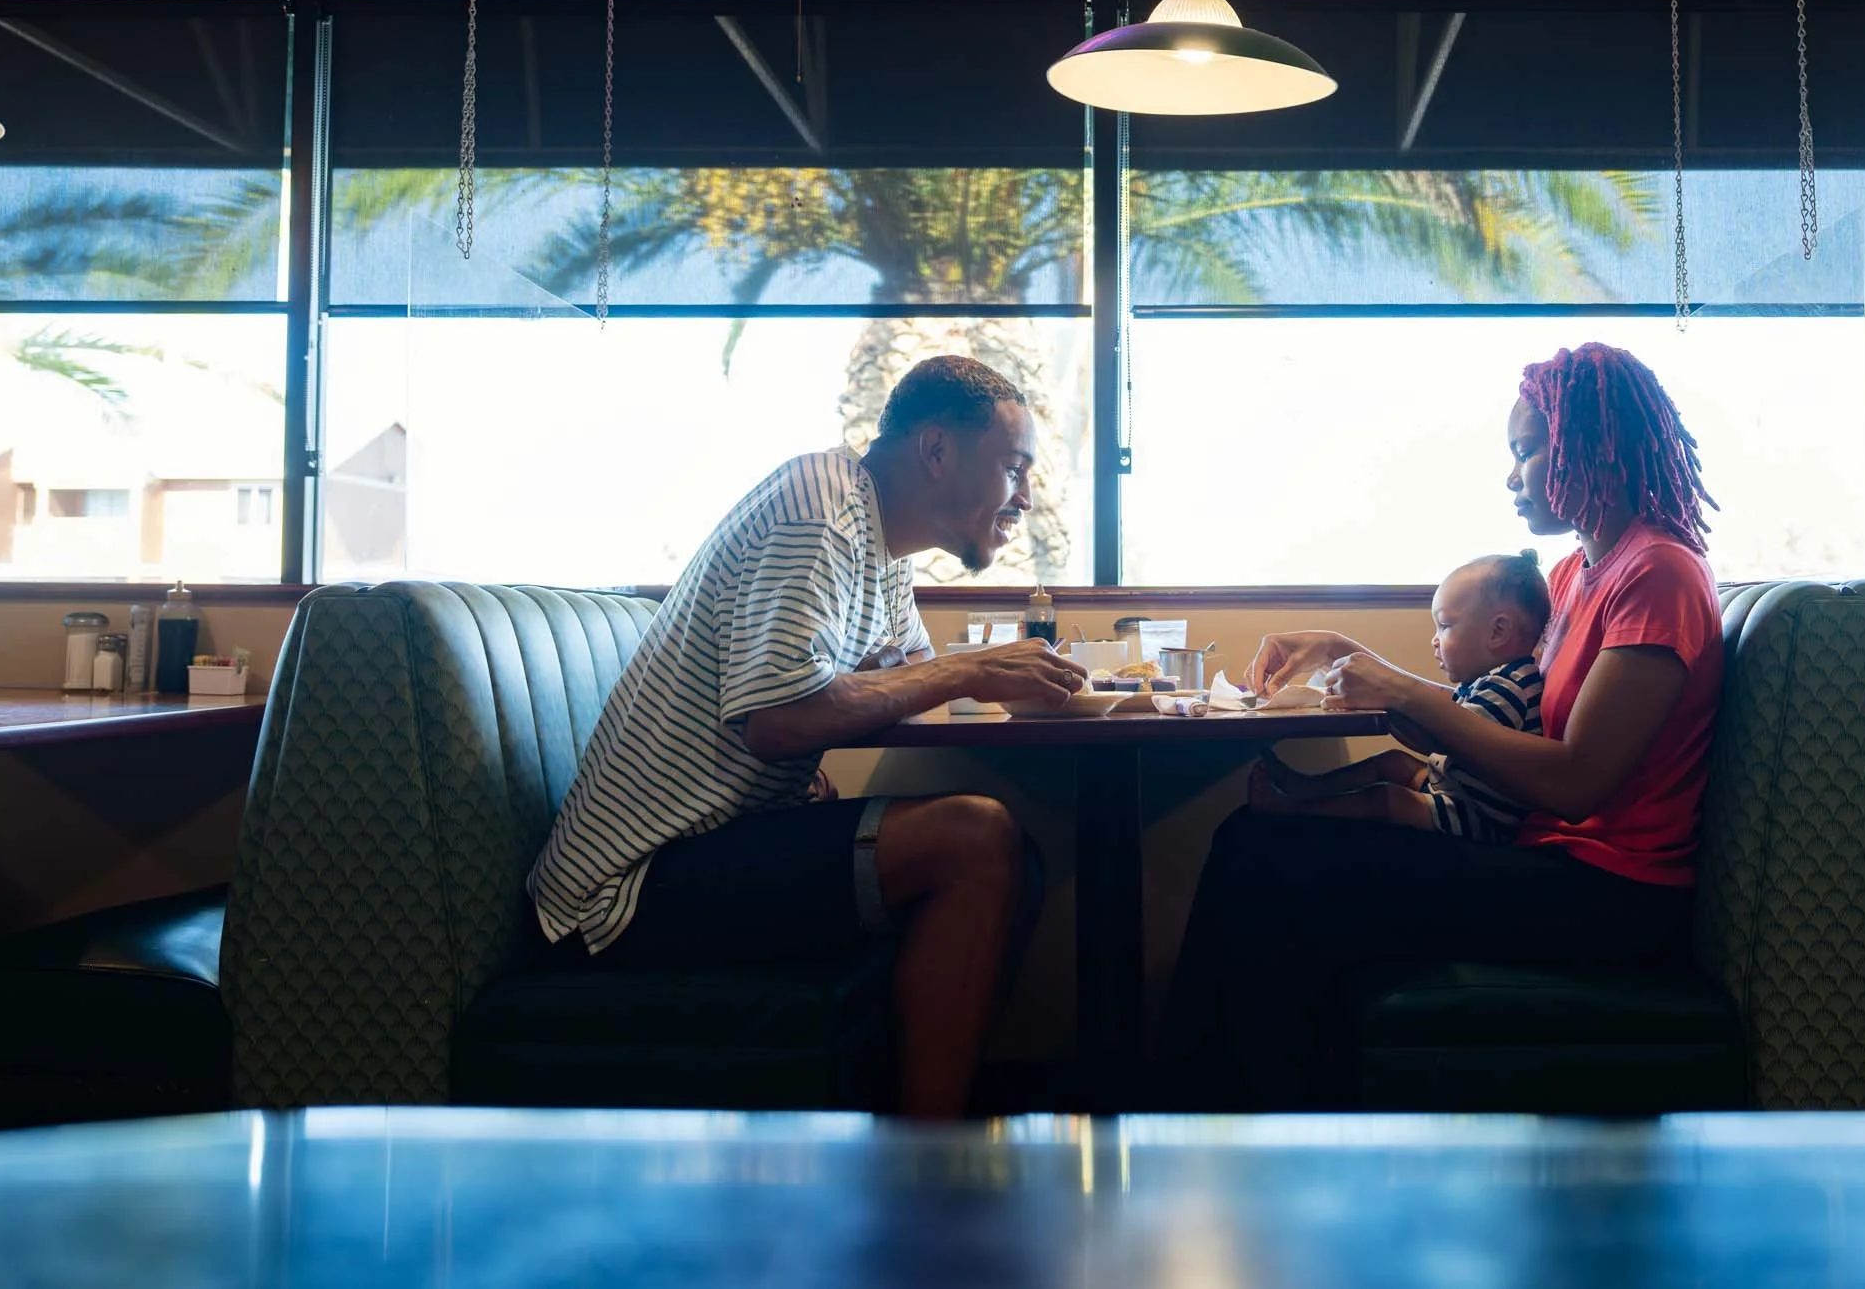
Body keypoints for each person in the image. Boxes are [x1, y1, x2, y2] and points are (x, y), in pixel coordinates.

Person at [1159, 342, 1726, 1108]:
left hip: (1610, 893)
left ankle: (1223, 1126)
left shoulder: (1659, 573)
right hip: (1543, 856)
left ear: (1594, 446)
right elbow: (1491, 722)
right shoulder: (1574, 574)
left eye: (1526, 450)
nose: (1512, 473)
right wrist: (1347, 654)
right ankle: (1208, 1117)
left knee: (1270, 866)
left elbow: (1576, 781)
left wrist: (1404, 690)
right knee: (1248, 841)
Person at [525, 355, 1087, 1117]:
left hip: (710, 846)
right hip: (626, 889)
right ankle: (927, 1169)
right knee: (976, 838)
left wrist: (1009, 680)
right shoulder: (816, 509)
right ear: (935, 452)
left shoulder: (879, 542)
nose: (1026, 496)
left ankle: (916, 1131)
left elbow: (906, 682)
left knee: (1014, 854)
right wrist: (969, 669)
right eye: (1014, 468)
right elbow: (780, 721)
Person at [1247, 551, 1549, 839]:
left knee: (1389, 799)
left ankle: (1293, 807)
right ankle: (1304, 787)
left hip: (1479, 818)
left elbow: (1448, 741)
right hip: (1460, 792)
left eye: (1444, 626)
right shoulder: (1493, 678)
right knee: (1392, 762)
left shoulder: (1507, 688)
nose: (1434, 640)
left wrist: (1389, 700)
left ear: (1498, 632)